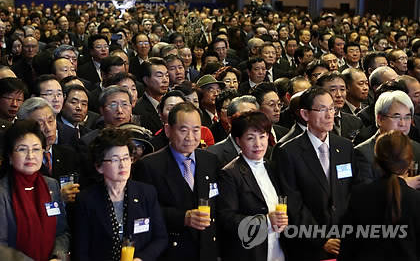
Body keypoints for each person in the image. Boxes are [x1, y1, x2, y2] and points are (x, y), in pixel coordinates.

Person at [273, 86, 357, 260]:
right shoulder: (288, 151)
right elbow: (292, 203)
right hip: (308, 246)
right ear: (305, 114)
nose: (329, 115)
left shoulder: (345, 146)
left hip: (345, 241)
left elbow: (352, 191)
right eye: (322, 109)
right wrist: (321, 239)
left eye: (332, 108)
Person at [133, 102, 220, 261]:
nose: (190, 137)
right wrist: (182, 217)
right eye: (183, 130)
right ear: (168, 130)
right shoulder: (149, 165)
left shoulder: (210, 160)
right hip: (171, 251)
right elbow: (143, 211)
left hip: (207, 250)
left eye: (196, 130)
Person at [74, 127, 168, 261]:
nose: (123, 165)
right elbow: (81, 251)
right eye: (115, 160)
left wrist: (141, 259)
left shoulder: (146, 193)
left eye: (126, 158)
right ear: (99, 166)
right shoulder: (86, 200)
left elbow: (160, 238)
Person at [0, 120, 70, 260]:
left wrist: (57, 256)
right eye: (22, 149)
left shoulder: (52, 186)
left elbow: (62, 232)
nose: (30, 155)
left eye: (36, 149)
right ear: (10, 156)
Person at [217, 111, 288, 261]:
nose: (258, 144)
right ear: (238, 141)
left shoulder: (272, 167)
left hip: (279, 248)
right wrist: (266, 221)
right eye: (250, 138)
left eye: (262, 137)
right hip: (250, 252)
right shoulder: (230, 174)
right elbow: (227, 219)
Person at [340, 130, 420, 260]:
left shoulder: (359, 196)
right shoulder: (416, 200)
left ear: (376, 161)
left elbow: (347, 248)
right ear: (409, 162)